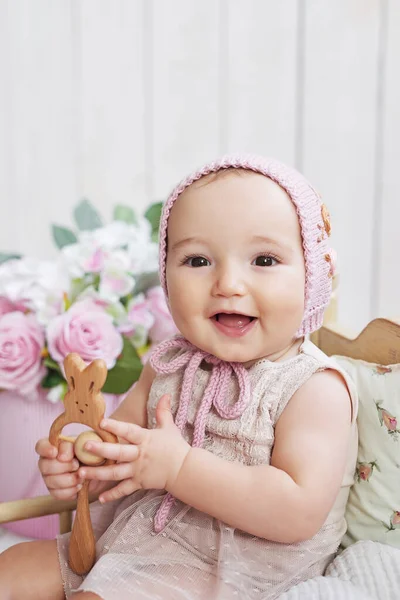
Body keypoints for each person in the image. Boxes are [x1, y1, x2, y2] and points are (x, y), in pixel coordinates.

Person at [0, 155, 358, 600]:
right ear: (166, 275)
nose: (228, 283)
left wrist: (180, 467)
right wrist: (81, 468)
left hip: (234, 569)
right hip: (135, 542)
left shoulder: (314, 387)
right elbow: (123, 460)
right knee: (10, 569)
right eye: (197, 260)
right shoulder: (167, 363)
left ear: (313, 277)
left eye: (264, 259)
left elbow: (296, 512)